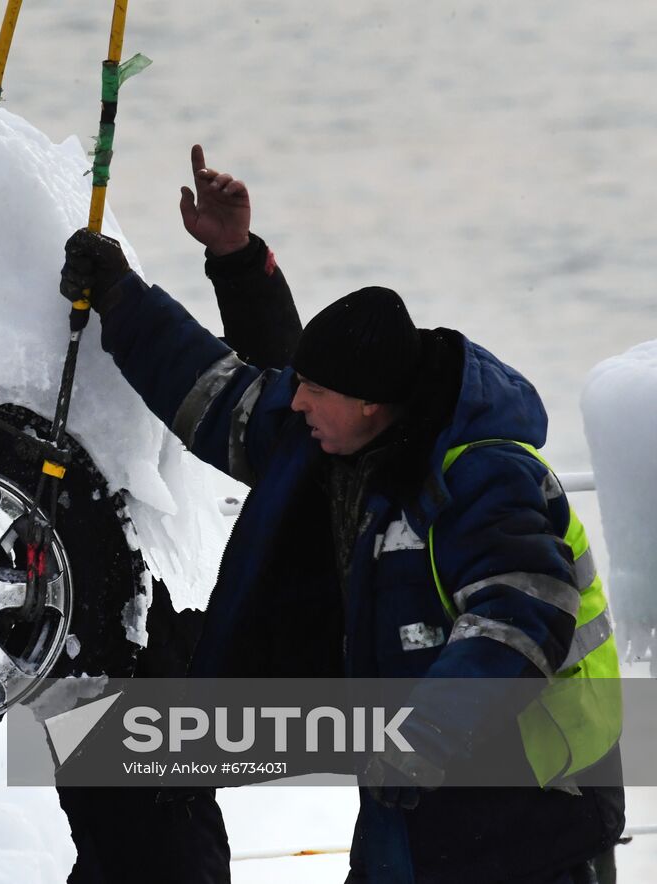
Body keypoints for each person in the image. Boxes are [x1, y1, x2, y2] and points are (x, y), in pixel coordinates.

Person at [57, 145, 624, 883]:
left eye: (314, 392)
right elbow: (215, 394)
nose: (295, 401)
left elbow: (522, 610)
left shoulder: (484, 474)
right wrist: (120, 296)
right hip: (410, 786)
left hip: (533, 799)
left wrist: (428, 732)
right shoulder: (327, 435)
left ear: (369, 403)